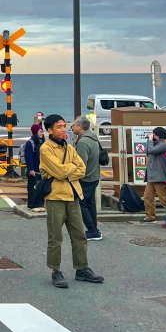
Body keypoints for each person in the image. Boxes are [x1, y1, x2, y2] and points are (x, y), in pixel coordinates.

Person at [40, 114, 104, 288]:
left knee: (80, 235)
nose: (63, 129)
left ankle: (82, 268)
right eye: (59, 127)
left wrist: (67, 171)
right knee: (56, 238)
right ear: (50, 130)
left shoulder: (69, 147)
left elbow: (82, 168)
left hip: (73, 195)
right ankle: (55, 270)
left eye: (64, 126)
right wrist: (70, 169)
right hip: (55, 197)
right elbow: (60, 172)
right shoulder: (46, 148)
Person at [142, 127, 166, 224]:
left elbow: (151, 150)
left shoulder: (165, 144)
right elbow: (148, 151)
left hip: (160, 176)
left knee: (164, 200)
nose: (152, 136)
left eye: (154, 135)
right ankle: (150, 216)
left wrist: (150, 140)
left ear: (158, 135)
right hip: (152, 176)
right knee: (147, 197)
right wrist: (150, 141)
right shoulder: (159, 144)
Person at [72, 116, 103, 241]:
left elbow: (81, 163)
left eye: (74, 125)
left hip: (86, 178)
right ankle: (94, 229)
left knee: (81, 203)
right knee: (90, 204)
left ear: (80, 126)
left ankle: (92, 230)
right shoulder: (93, 138)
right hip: (94, 176)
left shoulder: (83, 142)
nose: (72, 127)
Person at [23, 124, 45, 211]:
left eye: (42, 131)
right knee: (32, 187)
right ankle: (32, 204)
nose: (42, 133)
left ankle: (40, 204)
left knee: (41, 187)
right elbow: (28, 157)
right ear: (35, 132)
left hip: (41, 169)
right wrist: (31, 169)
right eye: (40, 131)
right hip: (34, 170)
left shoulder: (42, 142)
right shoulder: (30, 143)